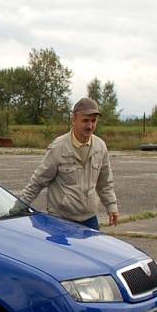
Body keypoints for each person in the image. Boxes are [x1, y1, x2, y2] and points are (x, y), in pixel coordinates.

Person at [20, 97, 118, 230]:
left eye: (93, 121)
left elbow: (105, 182)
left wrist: (111, 206)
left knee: (90, 252)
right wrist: (19, 206)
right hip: (60, 220)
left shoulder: (100, 147)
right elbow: (38, 180)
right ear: (74, 120)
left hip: (90, 220)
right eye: (85, 121)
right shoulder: (58, 147)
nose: (90, 126)